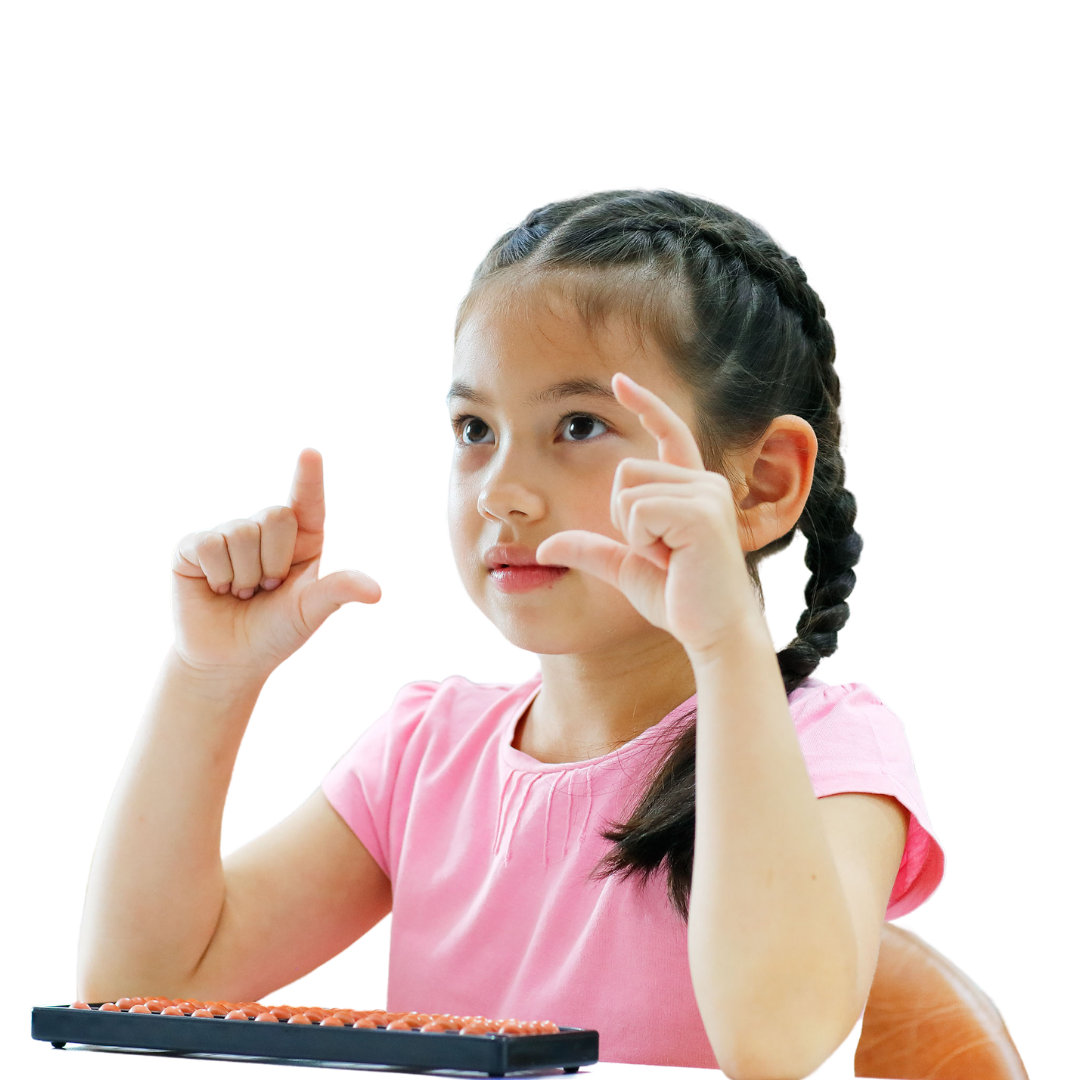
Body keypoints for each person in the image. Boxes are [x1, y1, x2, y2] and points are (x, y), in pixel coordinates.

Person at [75, 187, 947, 1074]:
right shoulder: (424, 751)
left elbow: (776, 1046)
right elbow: (139, 992)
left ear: (761, 484)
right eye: (476, 429)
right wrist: (207, 677)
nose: (501, 493)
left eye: (579, 425)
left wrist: (729, 648)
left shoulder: (832, 750)